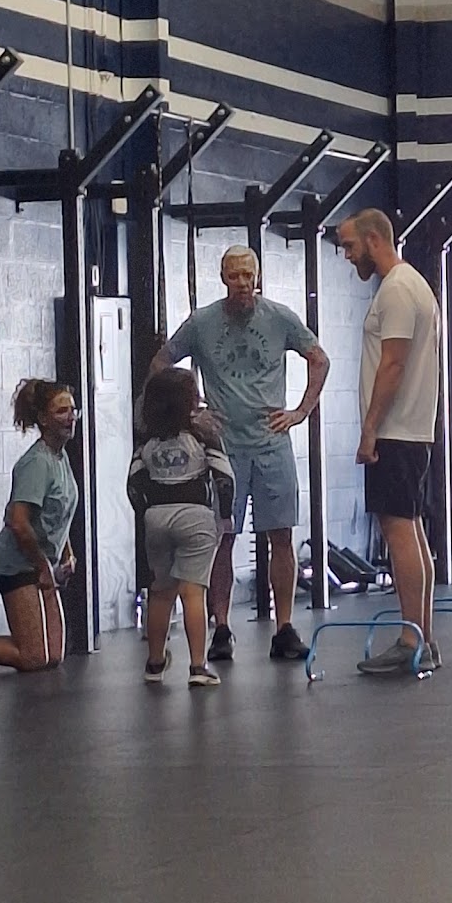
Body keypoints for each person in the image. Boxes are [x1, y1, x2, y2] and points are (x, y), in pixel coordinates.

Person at [148, 245, 330, 662]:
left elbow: (319, 360)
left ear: (258, 276)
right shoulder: (202, 322)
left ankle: (284, 626)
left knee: (280, 535)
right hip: (225, 448)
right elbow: (161, 363)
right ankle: (222, 627)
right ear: (223, 278)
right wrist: (191, 412)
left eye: (249, 275)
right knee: (222, 537)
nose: (243, 283)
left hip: (271, 443)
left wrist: (300, 412)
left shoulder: (279, 317)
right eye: (235, 276)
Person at [337, 208, 443, 675]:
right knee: (411, 529)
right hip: (409, 432)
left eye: (350, 246)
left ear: (374, 239)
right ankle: (424, 638)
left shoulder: (398, 289)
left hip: (396, 432)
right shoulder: (412, 284)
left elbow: (393, 363)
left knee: (399, 531)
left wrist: (369, 428)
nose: (347, 256)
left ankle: (411, 640)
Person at [128, 367, 236, 687]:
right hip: (195, 516)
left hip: (156, 516)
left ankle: (155, 662)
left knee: (160, 591)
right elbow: (224, 477)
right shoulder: (203, 436)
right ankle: (198, 667)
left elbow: (133, 484)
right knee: (193, 592)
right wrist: (225, 516)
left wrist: (145, 514)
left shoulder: (147, 441)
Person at [0, 379, 80, 672]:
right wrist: (42, 566)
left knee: (53, 655)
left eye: (73, 410)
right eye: (61, 411)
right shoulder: (36, 463)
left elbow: (60, 513)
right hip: (16, 566)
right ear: (43, 419)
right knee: (34, 657)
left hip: (41, 562)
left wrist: (66, 553)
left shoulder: (61, 457)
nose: (71, 417)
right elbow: (18, 522)